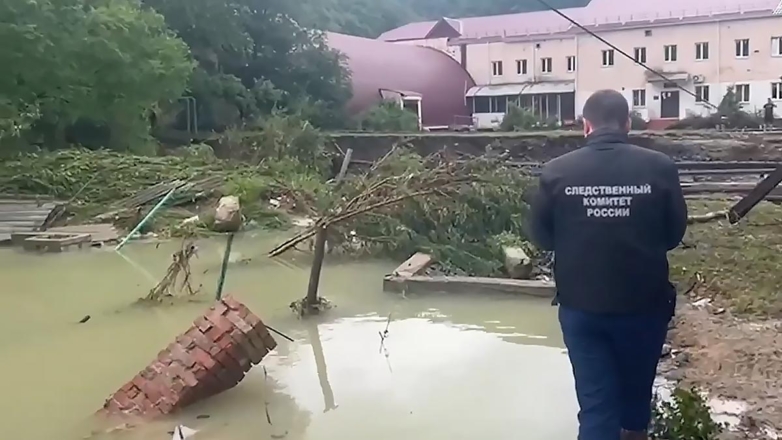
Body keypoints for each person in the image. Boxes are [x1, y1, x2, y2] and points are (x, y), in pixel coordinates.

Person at [529, 89, 688, 440]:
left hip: (582, 308)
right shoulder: (660, 167)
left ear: (586, 125)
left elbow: (542, 237)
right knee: (635, 403)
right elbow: (674, 234)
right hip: (644, 306)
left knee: (597, 407)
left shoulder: (556, 171)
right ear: (627, 123)